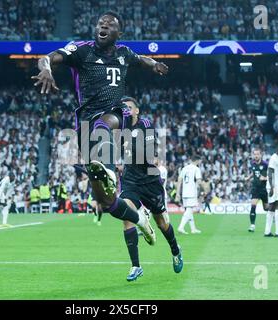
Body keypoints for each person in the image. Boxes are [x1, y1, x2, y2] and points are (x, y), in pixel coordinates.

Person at [32, 11, 169, 244]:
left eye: (109, 25)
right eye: (100, 23)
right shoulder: (82, 51)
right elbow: (49, 56)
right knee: (108, 203)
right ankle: (141, 221)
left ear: (119, 33)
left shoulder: (124, 53)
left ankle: (109, 170)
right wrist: (46, 68)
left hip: (115, 114)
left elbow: (141, 59)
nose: (102, 26)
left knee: (104, 123)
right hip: (86, 125)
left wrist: (154, 63)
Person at [119, 97, 183, 281]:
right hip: (131, 181)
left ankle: (175, 250)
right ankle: (135, 266)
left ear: (137, 111)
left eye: (129, 107)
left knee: (162, 224)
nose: (126, 110)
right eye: (123, 107)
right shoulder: (120, 128)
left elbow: (148, 155)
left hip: (150, 181)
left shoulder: (145, 124)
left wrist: (128, 145)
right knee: (126, 216)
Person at [176, 156, 202, 234]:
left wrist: (177, 193)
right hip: (192, 192)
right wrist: (198, 188)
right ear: (197, 161)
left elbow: (179, 180)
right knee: (189, 210)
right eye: (200, 161)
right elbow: (199, 181)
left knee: (188, 210)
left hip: (184, 192)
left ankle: (193, 229)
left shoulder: (184, 168)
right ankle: (181, 227)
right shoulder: (196, 169)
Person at [244, 148, 269, 232]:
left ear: (261, 155)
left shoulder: (266, 164)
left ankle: (274, 213)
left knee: (266, 208)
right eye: (254, 154)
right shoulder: (252, 163)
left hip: (264, 189)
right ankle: (252, 225)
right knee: (253, 205)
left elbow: (272, 175)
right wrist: (249, 177)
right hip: (255, 188)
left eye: (257, 154)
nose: (256, 156)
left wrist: (265, 178)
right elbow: (254, 172)